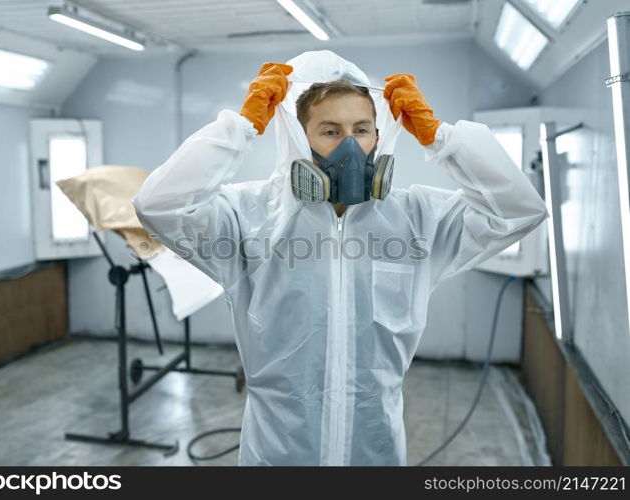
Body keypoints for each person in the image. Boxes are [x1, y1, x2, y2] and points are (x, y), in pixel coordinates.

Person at [133, 51, 548, 466]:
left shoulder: (418, 219)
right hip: (278, 453)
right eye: (330, 131)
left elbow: (518, 211)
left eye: (361, 129)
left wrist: (440, 137)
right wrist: (238, 128)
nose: (350, 145)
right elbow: (159, 205)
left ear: (378, 137)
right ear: (300, 138)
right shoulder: (247, 216)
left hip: (375, 450)